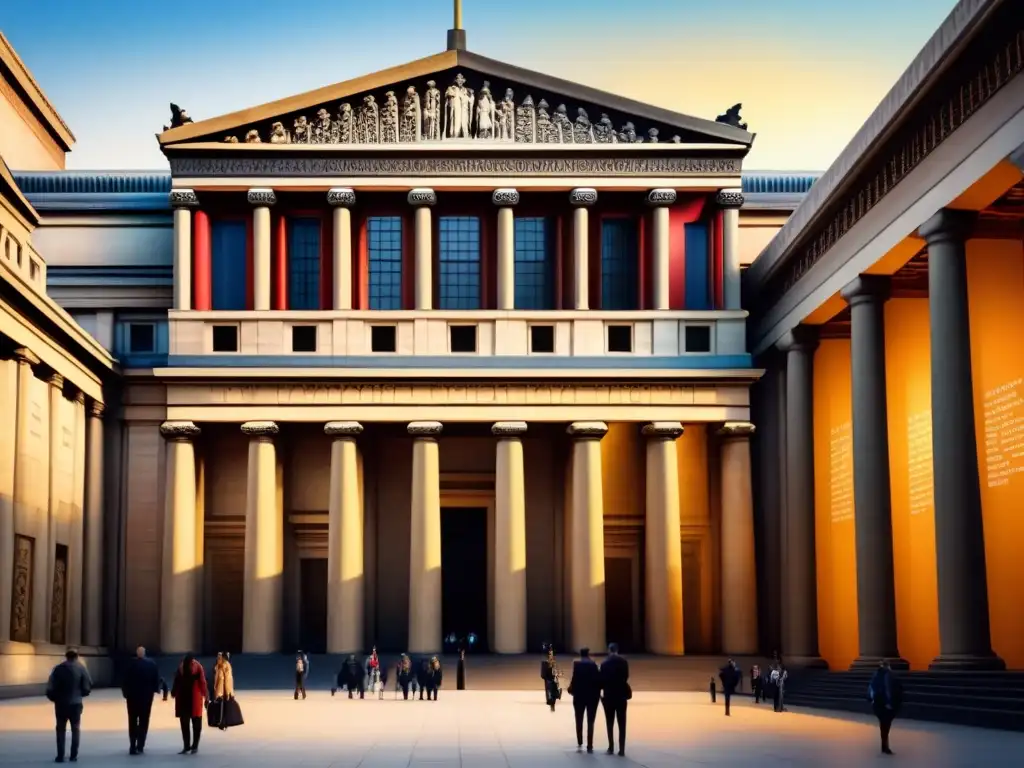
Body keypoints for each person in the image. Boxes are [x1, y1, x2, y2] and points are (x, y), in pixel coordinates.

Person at [46, 648, 93, 763]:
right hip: (75, 704)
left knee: (60, 729)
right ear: (76, 657)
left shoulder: (58, 669)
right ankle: (73, 755)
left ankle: (60, 755)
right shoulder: (81, 668)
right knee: (75, 729)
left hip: (61, 703)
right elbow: (88, 685)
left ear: (66, 656)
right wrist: (81, 694)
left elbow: (50, 686)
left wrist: (54, 699)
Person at [121, 646, 160, 755]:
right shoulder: (152, 665)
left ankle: (132, 745)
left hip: (132, 697)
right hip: (146, 698)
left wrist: (125, 693)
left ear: (137, 654)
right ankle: (140, 745)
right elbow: (155, 680)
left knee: (132, 721)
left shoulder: (130, 665)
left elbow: (124, 680)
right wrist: (155, 690)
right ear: (144, 653)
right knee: (144, 721)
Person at [171, 653, 208, 755]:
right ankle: (194, 746)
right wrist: (206, 696)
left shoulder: (181, 666)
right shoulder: (197, 666)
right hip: (194, 699)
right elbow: (203, 682)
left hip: (183, 699)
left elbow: (176, 681)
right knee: (196, 724)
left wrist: (173, 692)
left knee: (185, 724)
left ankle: (186, 746)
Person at [568, 647, 601, 754]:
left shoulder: (577, 665)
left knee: (579, 718)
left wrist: (571, 689)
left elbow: (574, 680)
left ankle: (580, 740)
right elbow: (598, 681)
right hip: (592, 697)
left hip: (579, 696)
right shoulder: (593, 665)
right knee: (590, 721)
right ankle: (590, 744)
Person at [600, 643, 630, 756]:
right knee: (622, 723)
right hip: (621, 695)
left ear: (609, 650)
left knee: (609, 722)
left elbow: (601, 680)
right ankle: (622, 749)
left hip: (608, 696)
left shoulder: (604, 663)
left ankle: (611, 747)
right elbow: (626, 676)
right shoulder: (623, 662)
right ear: (617, 650)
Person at [868, 660, 902, 755]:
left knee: (883, 725)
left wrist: (871, 700)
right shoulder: (888, 675)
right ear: (888, 666)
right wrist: (889, 703)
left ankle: (884, 745)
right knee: (886, 725)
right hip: (885, 704)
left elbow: (870, 689)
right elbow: (888, 690)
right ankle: (885, 746)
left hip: (877, 704)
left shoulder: (875, 675)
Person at [540, 645, 561, 711]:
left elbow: (555, 669)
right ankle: (551, 701)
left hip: (550, 675)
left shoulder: (550, 662)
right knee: (550, 689)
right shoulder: (548, 662)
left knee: (550, 689)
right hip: (549, 675)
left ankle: (551, 701)